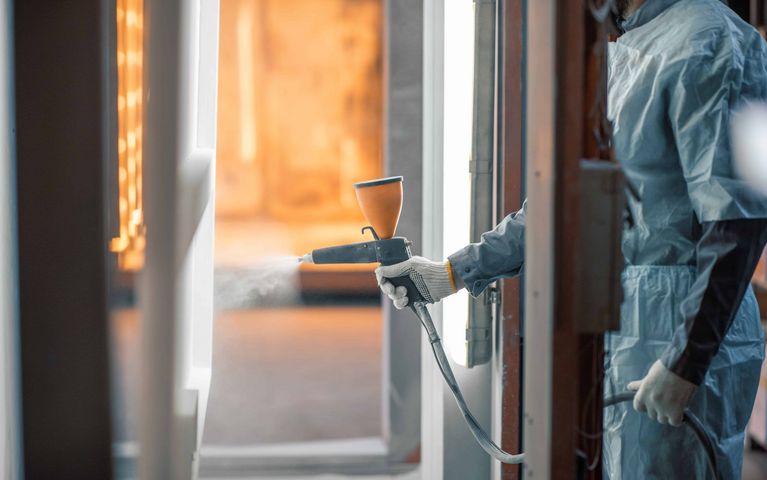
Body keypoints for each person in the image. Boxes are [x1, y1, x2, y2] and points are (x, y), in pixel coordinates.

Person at [375, 0, 767, 478]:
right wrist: (454, 272)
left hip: (678, 325)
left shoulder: (711, 41)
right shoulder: (629, 47)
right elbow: (560, 205)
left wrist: (686, 360)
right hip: (626, 327)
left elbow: (737, 219)